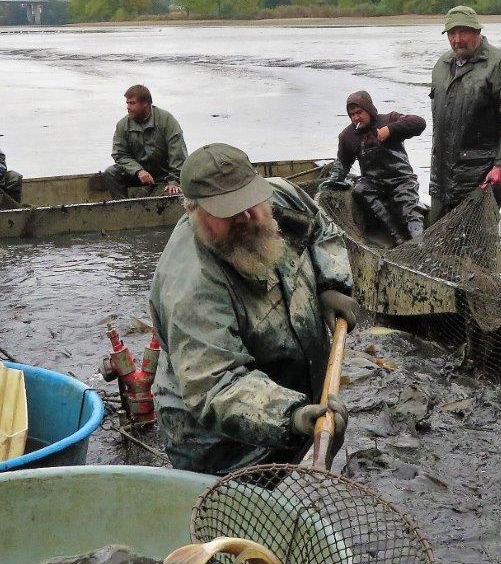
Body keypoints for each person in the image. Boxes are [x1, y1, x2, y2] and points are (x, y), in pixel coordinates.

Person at [149, 143, 360, 475]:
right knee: (240, 513)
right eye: (228, 211)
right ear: (194, 211)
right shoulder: (192, 286)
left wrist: (331, 285)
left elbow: (322, 229)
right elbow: (216, 386)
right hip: (222, 446)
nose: (245, 217)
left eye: (249, 202)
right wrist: (292, 415)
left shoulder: (279, 198)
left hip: (296, 390)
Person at [428, 5, 501, 224]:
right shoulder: (441, 65)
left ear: (477, 31)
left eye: (463, 32)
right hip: (442, 175)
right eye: (452, 33)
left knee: (475, 244)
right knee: (434, 233)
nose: (457, 39)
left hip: (482, 177)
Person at [323, 90, 426, 245]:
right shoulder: (348, 135)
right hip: (374, 182)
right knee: (360, 189)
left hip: (401, 179)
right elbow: (343, 163)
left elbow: (419, 123)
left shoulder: (390, 119)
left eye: (359, 112)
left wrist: (390, 130)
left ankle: (419, 242)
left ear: (369, 109)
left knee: (408, 206)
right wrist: (333, 181)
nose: (356, 117)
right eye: (352, 115)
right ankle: (396, 236)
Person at [98, 84, 187, 198]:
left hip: (164, 175)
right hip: (138, 174)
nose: (128, 107)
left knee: (174, 192)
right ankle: (123, 208)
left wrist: (174, 181)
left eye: (132, 103)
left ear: (145, 103)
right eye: (127, 103)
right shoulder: (123, 125)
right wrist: (138, 171)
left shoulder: (166, 120)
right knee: (111, 172)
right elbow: (119, 154)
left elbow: (178, 154)